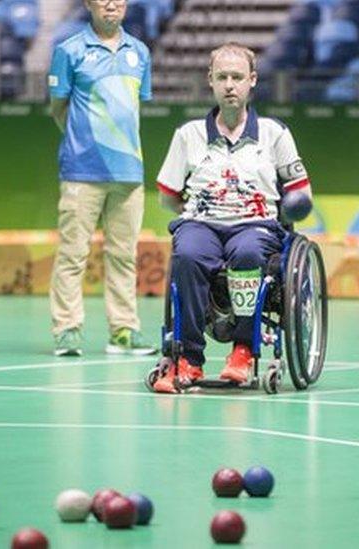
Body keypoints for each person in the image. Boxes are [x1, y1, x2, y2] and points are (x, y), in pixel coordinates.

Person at [151, 42, 314, 393]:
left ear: (252, 81)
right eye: (222, 77)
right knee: (188, 253)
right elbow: (168, 194)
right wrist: (194, 214)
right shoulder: (188, 135)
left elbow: (302, 190)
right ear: (210, 81)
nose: (229, 84)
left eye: (237, 77)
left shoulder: (274, 134)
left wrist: (292, 207)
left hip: (255, 226)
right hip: (202, 222)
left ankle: (243, 350)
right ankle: (189, 359)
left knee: (248, 254)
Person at [47, 0, 156, 357]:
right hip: (82, 170)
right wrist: (86, 141)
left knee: (124, 255)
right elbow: (58, 108)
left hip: (129, 172)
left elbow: (133, 108)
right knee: (72, 254)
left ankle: (123, 331)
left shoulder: (139, 52)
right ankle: (67, 330)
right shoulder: (69, 51)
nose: (112, 3)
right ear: (88, 4)